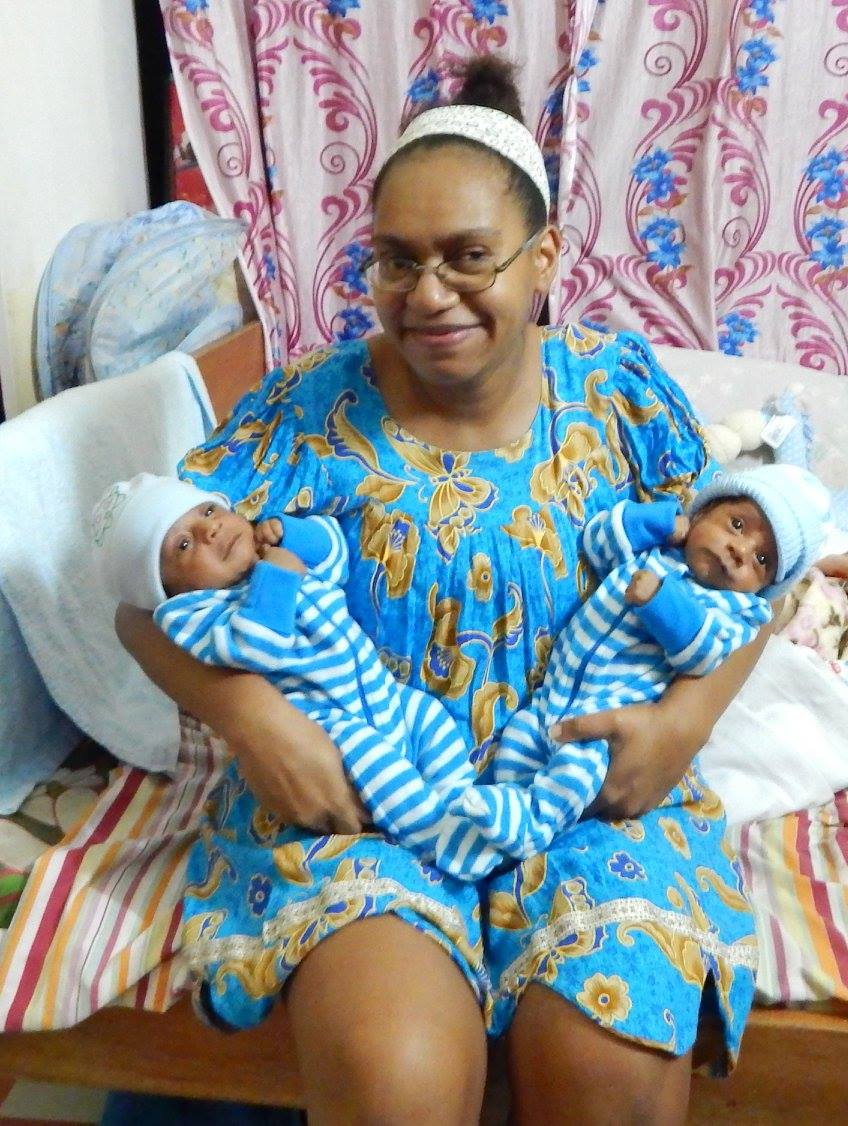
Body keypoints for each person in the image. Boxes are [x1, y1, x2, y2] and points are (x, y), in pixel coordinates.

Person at [117, 57, 770, 1125]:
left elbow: (750, 576)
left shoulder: (617, 392)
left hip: (587, 790)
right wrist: (249, 716)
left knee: (601, 1070)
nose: (427, 296)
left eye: (468, 258)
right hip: (358, 803)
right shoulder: (298, 413)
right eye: (395, 261)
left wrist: (683, 724)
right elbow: (138, 606)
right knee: (395, 1082)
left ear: (542, 257)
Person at [92, 472, 507, 879]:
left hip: (386, 694)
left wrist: (290, 534)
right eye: (183, 544)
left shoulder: (270, 559)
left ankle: (464, 804)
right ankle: (438, 839)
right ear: (170, 591)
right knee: (382, 770)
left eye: (208, 510)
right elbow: (258, 644)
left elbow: (334, 555)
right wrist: (282, 571)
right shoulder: (197, 615)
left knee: (431, 719)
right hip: (330, 725)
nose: (210, 530)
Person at [461, 465, 829, 856]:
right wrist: (658, 523)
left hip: (606, 712)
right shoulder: (657, 550)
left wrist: (660, 603)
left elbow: (702, 654)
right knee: (519, 741)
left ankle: (533, 827)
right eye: (736, 524)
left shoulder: (734, 612)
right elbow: (598, 541)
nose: (740, 551)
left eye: (762, 560)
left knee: (575, 769)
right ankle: (496, 819)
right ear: (701, 513)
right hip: (551, 694)